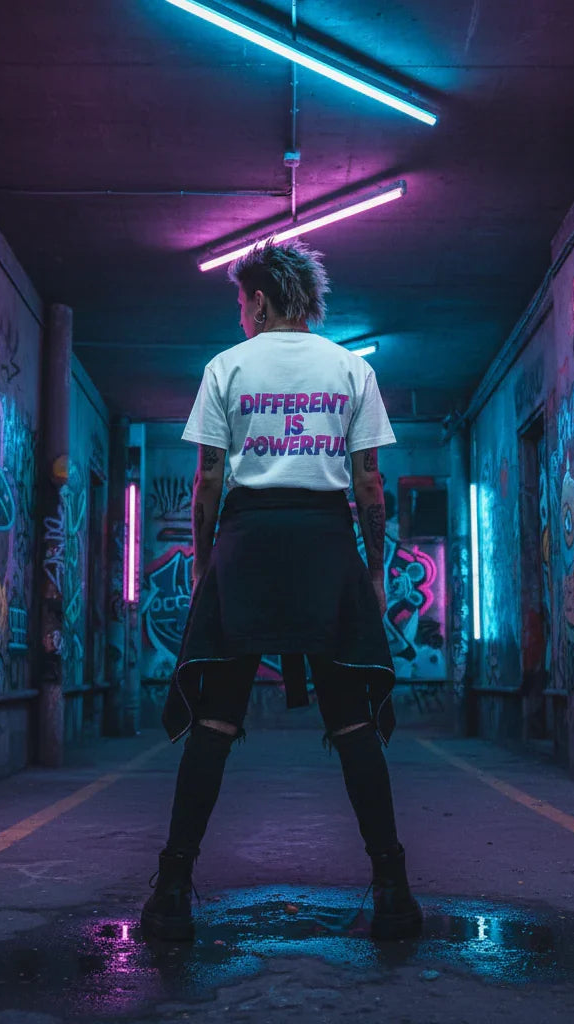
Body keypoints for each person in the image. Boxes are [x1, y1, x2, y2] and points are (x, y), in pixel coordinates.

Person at [140, 239, 422, 943]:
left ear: (260, 299)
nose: (240, 313)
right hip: (325, 541)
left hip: (250, 540)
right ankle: (392, 889)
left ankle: (172, 889)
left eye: (242, 301)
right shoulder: (352, 369)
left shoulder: (225, 369)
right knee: (352, 718)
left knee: (214, 718)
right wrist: (375, 566)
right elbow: (369, 486)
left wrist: (206, 566)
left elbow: (209, 482)